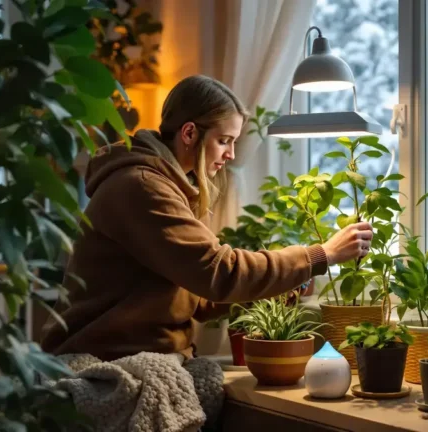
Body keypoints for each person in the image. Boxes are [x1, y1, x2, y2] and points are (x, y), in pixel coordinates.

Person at [41, 75, 374, 361]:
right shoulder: (142, 188)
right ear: (189, 134)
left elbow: (198, 295)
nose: (230, 154)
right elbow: (219, 272)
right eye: (224, 141)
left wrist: (281, 281)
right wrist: (322, 254)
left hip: (138, 352)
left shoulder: (163, 183)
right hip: (109, 357)